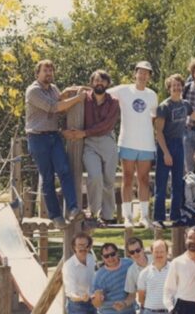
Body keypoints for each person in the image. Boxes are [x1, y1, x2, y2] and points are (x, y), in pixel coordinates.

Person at [25, 60, 86, 226]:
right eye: (45, 70)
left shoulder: (53, 88)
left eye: (51, 70)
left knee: (65, 170)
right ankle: (55, 215)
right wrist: (78, 98)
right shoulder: (33, 91)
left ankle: (73, 208)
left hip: (54, 136)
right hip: (37, 138)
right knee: (48, 177)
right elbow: (54, 107)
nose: (49, 73)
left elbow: (62, 105)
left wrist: (68, 92)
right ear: (37, 73)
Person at [62, 69, 119, 225]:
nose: (99, 83)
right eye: (96, 80)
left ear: (107, 83)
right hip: (89, 143)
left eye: (102, 80)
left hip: (107, 139)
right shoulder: (84, 99)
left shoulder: (113, 102)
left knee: (108, 180)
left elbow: (107, 125)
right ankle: (94, 213)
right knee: (94, 176)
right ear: (91, 83)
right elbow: (66, 100)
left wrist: (84, 132)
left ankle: (108, 215)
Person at [107, 62, 158, 227]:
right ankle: (128, 217)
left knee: (143, 179)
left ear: (149, 76)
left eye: (146, 73)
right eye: (140, 72)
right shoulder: (123, 90)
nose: (143, 76)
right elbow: (100, 93)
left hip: (146, 144)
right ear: (135, 74)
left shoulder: (152, 95)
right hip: (127, 141)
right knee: (127, 178)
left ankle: (144, 216)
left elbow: (153, 117)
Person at [154, 73, 195, 225]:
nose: (177, 88)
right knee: (162, 182)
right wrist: (165, 153)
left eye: (179, 85)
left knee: (179, 182)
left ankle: (176, 216)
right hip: (166, 144)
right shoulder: (164, 106)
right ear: (169, 88)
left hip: (179, 143)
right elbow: (158, 131)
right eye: (174, 86)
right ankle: (158, 218)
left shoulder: (186, 104)